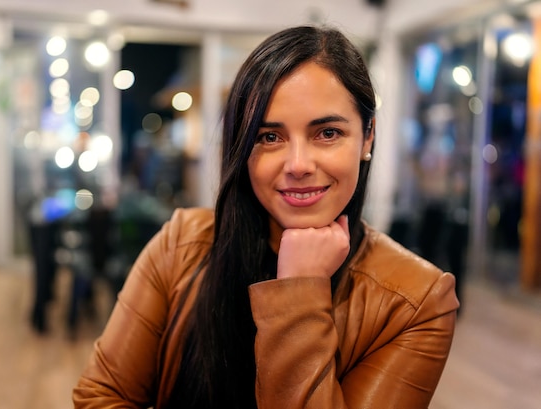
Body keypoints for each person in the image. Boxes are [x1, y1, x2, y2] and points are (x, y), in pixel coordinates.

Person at [73, 25, 459, 409]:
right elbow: (100, 397)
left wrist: (300, 291)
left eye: (326, 133)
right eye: (269, 137)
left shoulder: (416, 300)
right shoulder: (182, 244)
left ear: (367, 137)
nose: (298, 165)